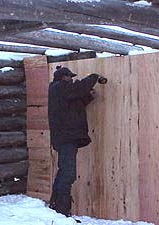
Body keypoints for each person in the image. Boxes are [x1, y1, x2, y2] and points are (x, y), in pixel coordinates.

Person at [48, 66, 107, 218]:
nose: (72, 79)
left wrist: (88, 98)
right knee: (68, 174)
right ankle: (62, 210)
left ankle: (56, 208)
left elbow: (74, 106)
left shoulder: (62, 92)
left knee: (64, 172)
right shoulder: (58, 87)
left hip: (67, 138)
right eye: (69, 77)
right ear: (63, 77)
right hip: (65, 138)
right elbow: (78, 89)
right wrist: (94, 76)